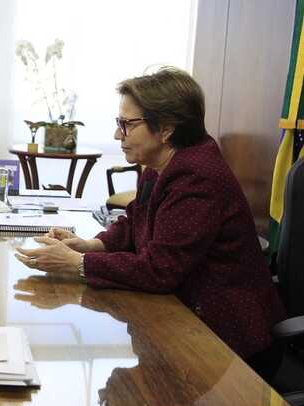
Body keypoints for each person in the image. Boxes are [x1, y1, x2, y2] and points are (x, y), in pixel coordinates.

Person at [15, 67, 285, 365]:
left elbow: (160, 270)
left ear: (166, 129)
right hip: (185, 320)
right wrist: (91, 245)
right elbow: (135, 222)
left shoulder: (197, 176)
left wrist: (77, 264)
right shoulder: (160, 164)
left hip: (227, 345)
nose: (118, 134)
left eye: (127, 124)